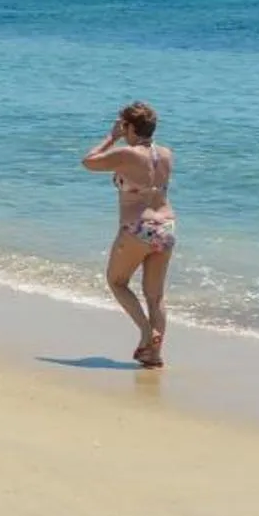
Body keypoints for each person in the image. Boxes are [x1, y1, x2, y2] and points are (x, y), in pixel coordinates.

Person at [81, 101, 176, 368]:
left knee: (117, 281)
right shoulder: (166, 154)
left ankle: (147, 333)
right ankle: (154, 354)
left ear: (130, 127)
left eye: (124, 125)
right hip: (166, 226)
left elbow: (88, 162)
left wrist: (112, 137)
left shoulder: (127, 154)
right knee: (155, 296)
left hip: (137, 228)